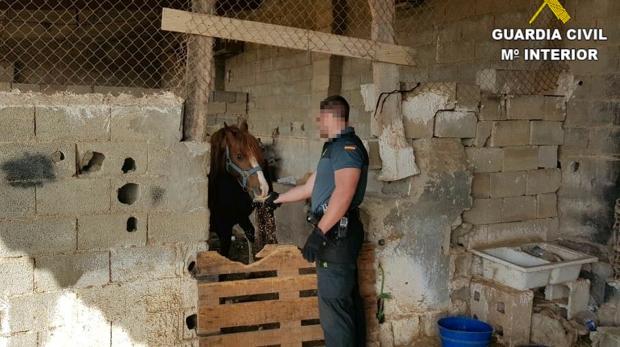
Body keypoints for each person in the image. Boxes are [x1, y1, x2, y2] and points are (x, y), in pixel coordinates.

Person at [264, 95, 369, 346]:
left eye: (320, 118)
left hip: (336, 236)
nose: (317, 123)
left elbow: (344, 193)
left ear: (330, 117)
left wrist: (320, 232)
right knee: (342, 302)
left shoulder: (347, 148)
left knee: (335, 308)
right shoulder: (333, 148)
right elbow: (311, 187)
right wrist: (278, 198)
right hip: (334, 234)